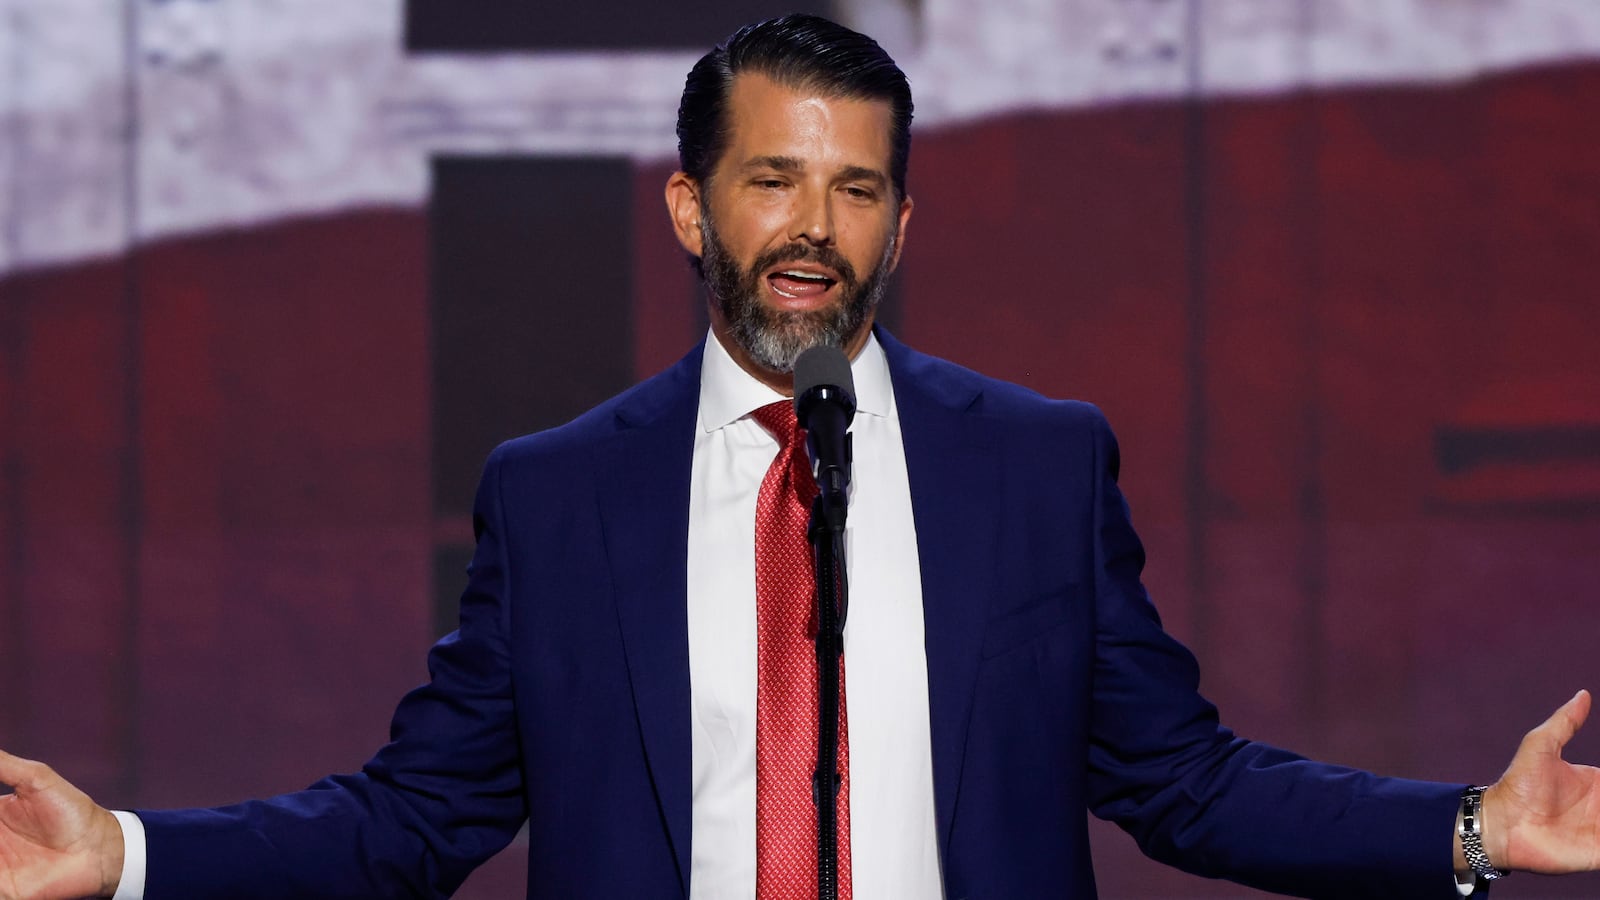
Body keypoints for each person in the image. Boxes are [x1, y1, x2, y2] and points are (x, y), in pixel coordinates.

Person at [1, 13, 1597, 900]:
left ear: (903, 219)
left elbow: (1183, 781)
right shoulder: (560, 495)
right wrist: (131, 855)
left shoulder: (1037, 466)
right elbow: (410, 819)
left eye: (856, 191)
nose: (813, 231)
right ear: (693, 207)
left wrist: (1467, 828)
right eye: (774, 180)